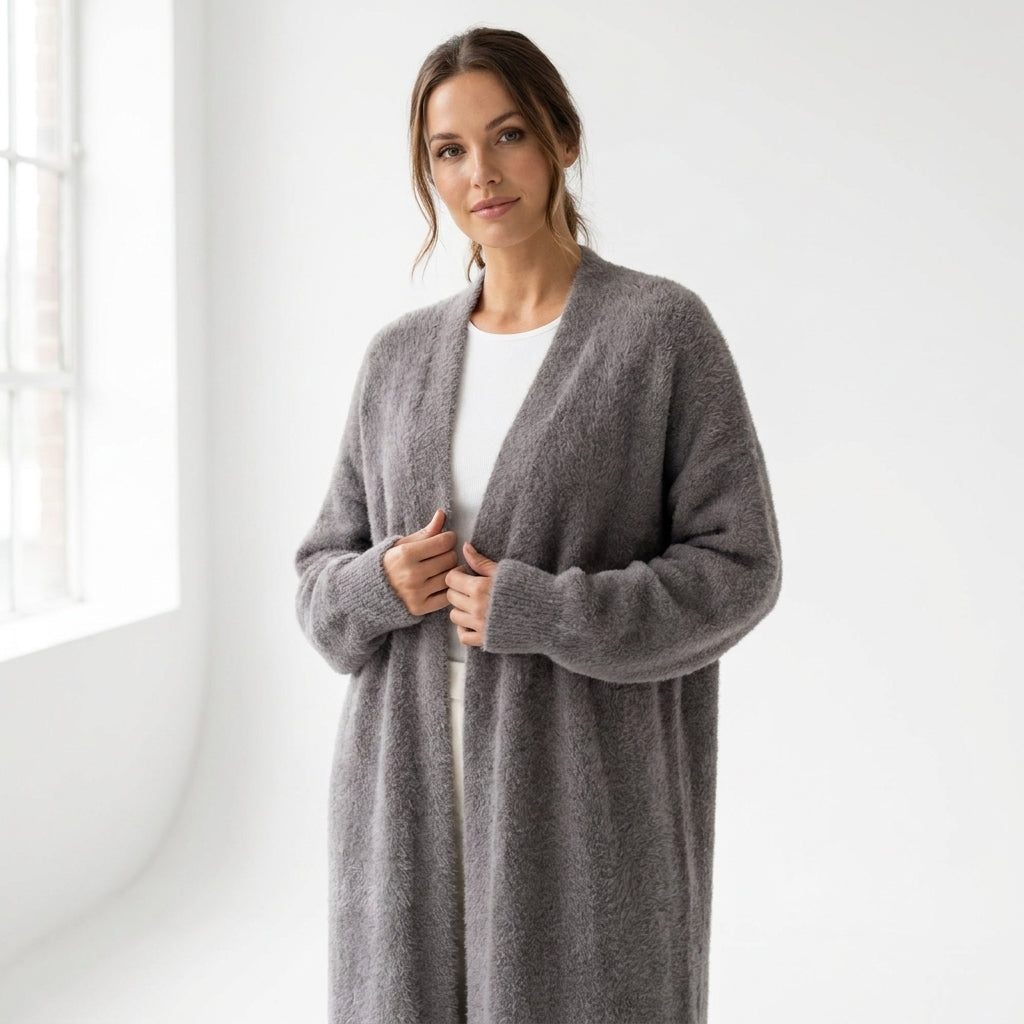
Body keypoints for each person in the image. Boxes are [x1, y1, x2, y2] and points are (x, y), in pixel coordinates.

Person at [295, 26, 782, 1024]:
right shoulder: (397, 359)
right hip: (407, 801)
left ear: (563, 138)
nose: (480, 172)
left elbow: (740, 567)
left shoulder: (659, 333)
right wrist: (379, 583)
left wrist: (544, 610)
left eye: (507, 134)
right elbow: (318, 584)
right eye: (449, 149)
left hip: (581, 803)